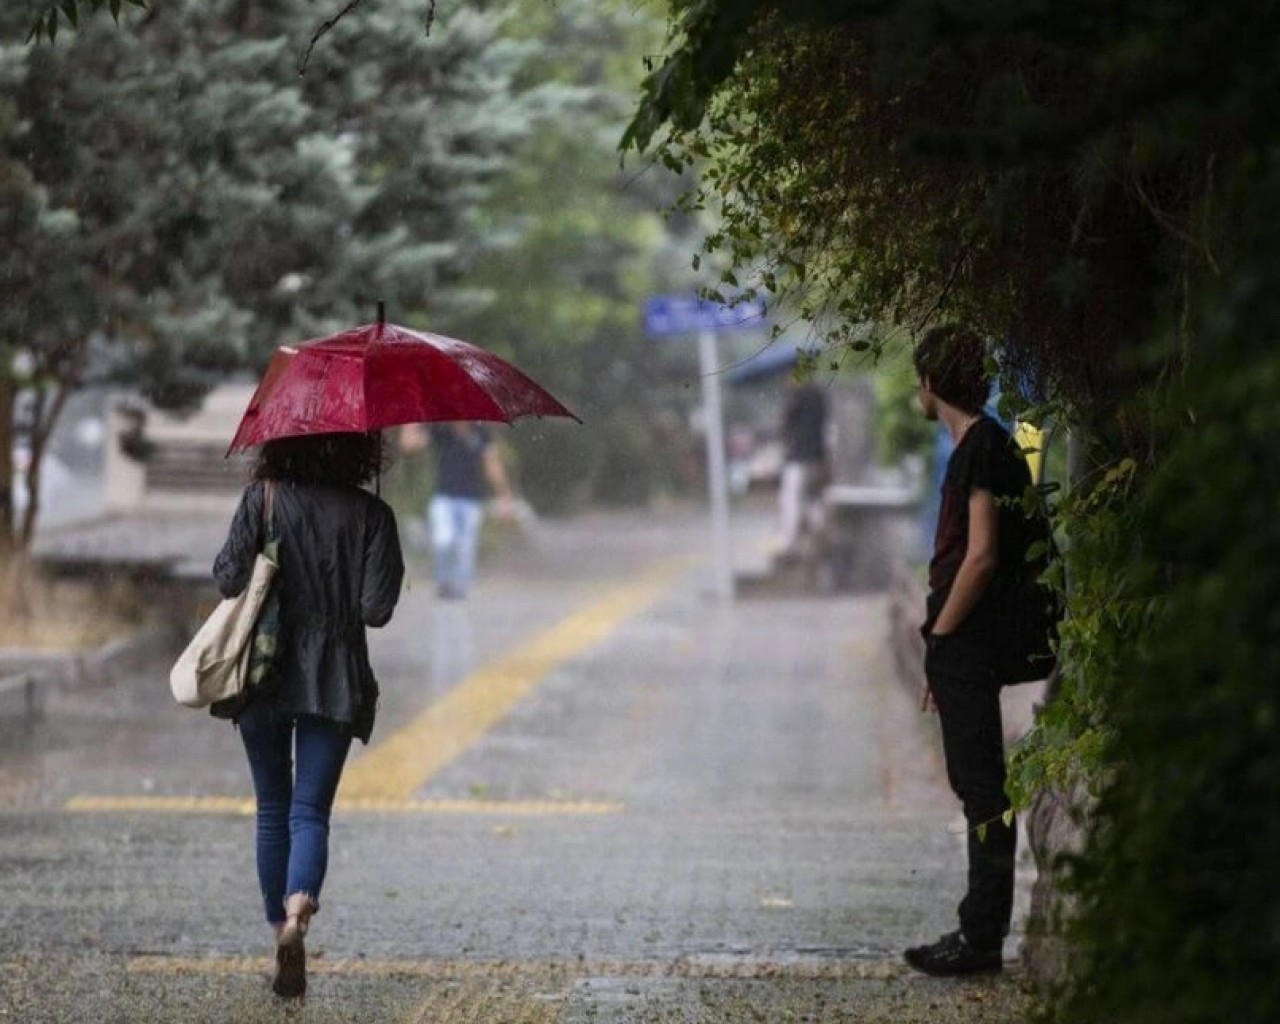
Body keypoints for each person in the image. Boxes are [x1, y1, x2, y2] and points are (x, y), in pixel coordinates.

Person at [213, 431, 404, 999]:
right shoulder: (373, 513)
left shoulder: (262, 497)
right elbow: (377, 610)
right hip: (335, 675)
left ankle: (279, 930)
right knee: (310, 812)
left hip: (263, 669)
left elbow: (227, 578)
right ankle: (300, 909)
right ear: (358, 452)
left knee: (272, 807)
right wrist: (374, 538)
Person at [903, 324, 1035, 977]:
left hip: (969, 638)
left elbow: (979, 557)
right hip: (965, 643)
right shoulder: (985, 446)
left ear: (931, 384)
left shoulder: (980, 449)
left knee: (983, 789)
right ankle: (978, 930)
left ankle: (981, 937)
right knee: (977, 785)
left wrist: (943, 634)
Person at [426, 422, 514, 600]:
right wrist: (412, 423)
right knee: (444, 540)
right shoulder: (442, 429)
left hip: (471, 499)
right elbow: (409, 444)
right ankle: (443, 581)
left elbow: (492, 463)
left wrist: (504, 494)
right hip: (444, 496)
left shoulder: (481, 433)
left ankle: (461, 587)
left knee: (466, 547)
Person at [777, 376, 830, 560]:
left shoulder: (795, 396)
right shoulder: (819, 394)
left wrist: (789, 394)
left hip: (797, 456)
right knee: (812, 497)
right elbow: (824, 425)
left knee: (791, 499)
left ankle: (791, 545)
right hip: (816, 457)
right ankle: (820, 535)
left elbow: (785, 424)